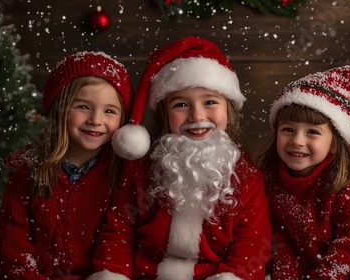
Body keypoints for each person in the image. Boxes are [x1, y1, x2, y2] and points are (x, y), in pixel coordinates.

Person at [88, 36, 272, 280]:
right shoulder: (140, 169)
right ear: (165, 113)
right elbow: (118, 232)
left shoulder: (246, 176)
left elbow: (251, 244)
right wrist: (113, 274)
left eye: (209, 102)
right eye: (181, 105)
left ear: (228, 109)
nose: (196, 115)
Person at [0, 51, 134, 280]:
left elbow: (120, 242)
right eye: (83, 107)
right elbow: (13, 243)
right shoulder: (29, 168)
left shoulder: (122, 173)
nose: (96, 120)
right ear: (60, 109)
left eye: (109, 111)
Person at [259, 65, 350, 279]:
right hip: (314, 260)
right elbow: (282, 240)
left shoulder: (347, 184)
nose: (297, 141)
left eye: (312, 132)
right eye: (288, 129)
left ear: (334, 144)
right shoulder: (273, 181)